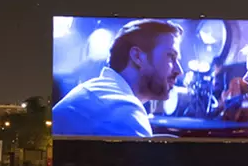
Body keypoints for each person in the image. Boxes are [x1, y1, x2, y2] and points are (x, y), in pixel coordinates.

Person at [52, 19, 182, 137]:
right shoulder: (122, 109)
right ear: (137, 57)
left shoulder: (103, 95)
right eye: (171, 56)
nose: (179, 71)